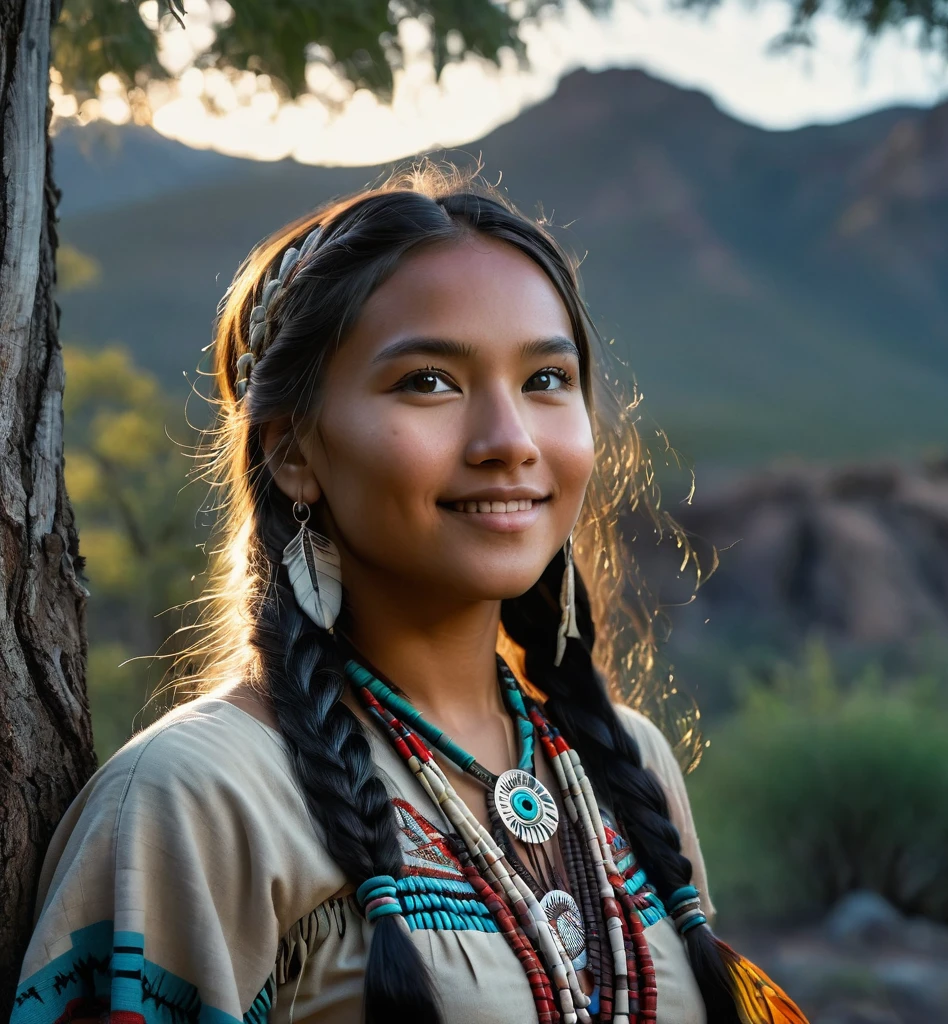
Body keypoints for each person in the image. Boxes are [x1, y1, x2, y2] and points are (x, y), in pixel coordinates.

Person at [13, 162, 808, 1024]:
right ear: (293, 453)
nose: (509, 440)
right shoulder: (199, 799)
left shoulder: (630, 766)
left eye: (547, 380)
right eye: (429, 381)